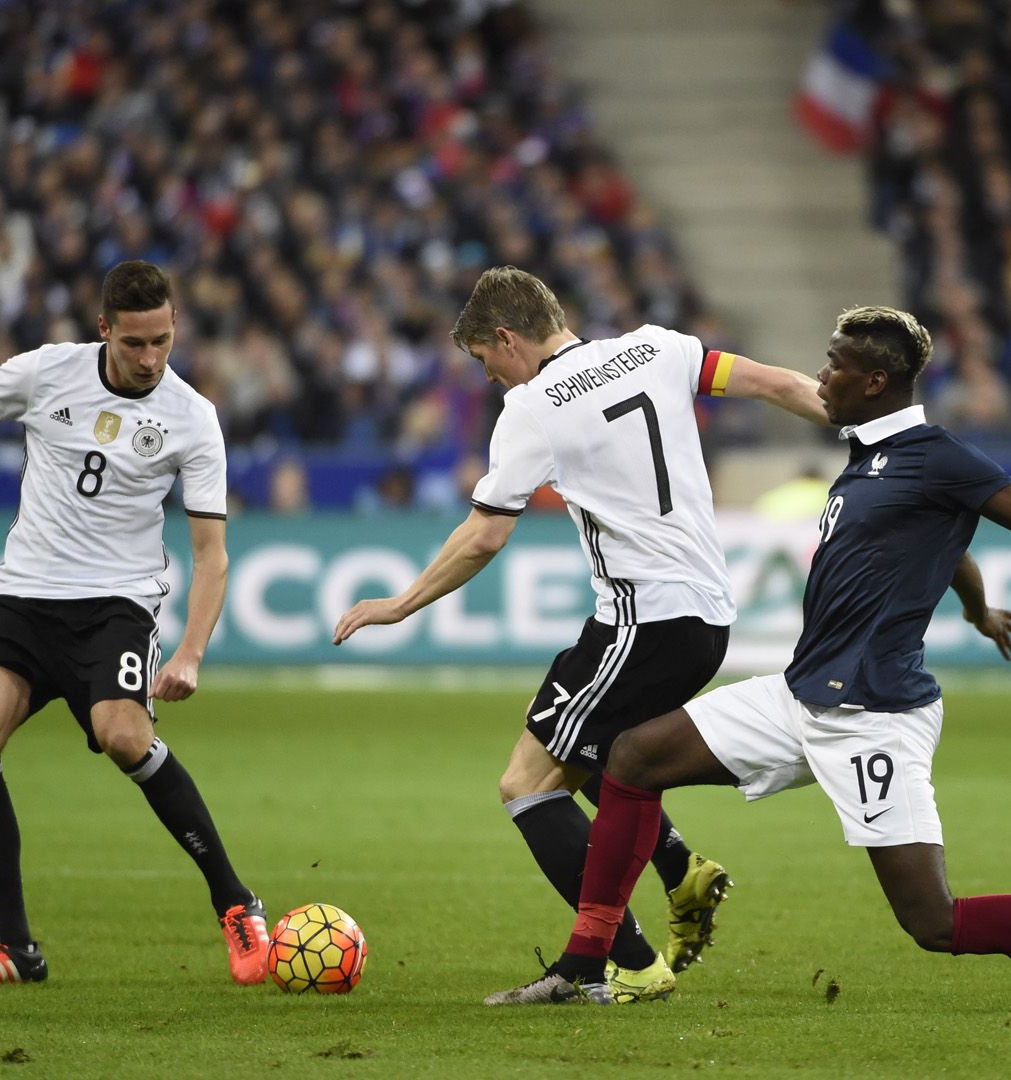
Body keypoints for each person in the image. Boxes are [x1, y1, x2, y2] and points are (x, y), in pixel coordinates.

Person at [486, 305, 1011, 1008]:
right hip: (802, 697)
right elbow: (944, 545)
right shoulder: (868, 456)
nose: (822, 375)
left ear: (874, 380)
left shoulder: (937, 456)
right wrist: (975, 608)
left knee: (934, 923)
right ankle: (590, 963)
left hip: (874, 714)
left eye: (836, 363)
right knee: (631, 756)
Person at [332, 266, 829, 1002]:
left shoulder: (533, 405)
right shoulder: (658, 348)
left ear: (506, 337)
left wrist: (403, 603)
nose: (493, 377)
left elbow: (483, 537)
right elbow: (780, 386)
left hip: (645, 619)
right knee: (594, 749)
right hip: (702, 615)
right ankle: (676, 872)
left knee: (526, 785)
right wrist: (870, 423)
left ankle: (620, 962)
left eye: (485, 360)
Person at [0, 261, 271, 986]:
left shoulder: (192, 416)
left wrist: (190, 653)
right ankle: (15, 948)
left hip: (116, 603)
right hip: (25, 598)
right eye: (136, 344)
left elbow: (212, 556)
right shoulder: (46, 372)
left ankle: (236, 902)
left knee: (123, 734)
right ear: (104, 329)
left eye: (163, 342)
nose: (150, 360)